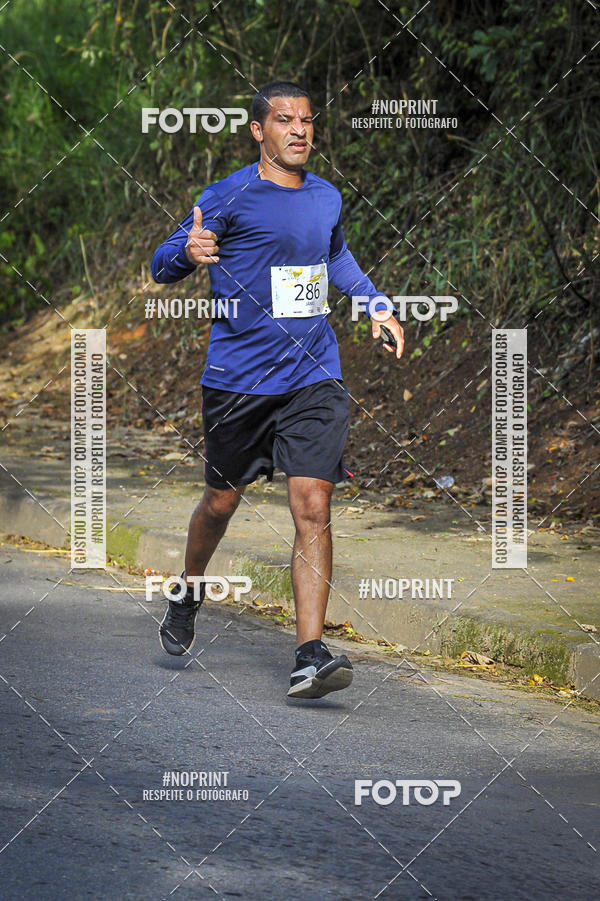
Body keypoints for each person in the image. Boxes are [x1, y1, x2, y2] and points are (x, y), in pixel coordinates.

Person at [150, 80, 404, 699]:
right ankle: (188, 588)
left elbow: (335, 258)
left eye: (307, 121)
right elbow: (161, 264)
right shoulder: (228, 195)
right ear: (259, 130)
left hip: (314, 373)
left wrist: (374, 303)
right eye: (285, 120)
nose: (299, 130)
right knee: (220, 503)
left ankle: (308, 655)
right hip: (240, 381)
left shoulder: (325, 196)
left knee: (313, 503)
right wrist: (188, 252)